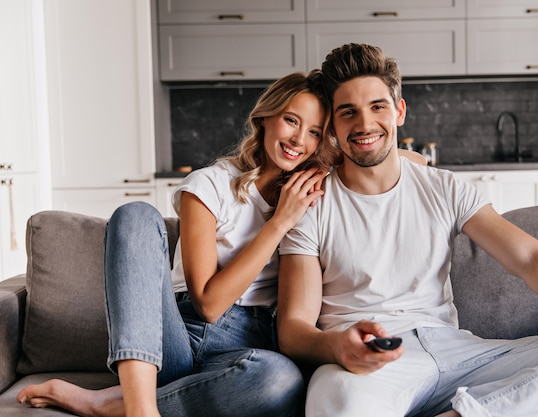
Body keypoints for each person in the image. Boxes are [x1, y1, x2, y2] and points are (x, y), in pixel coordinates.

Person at [276, 43, 538, 417]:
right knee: (335, 402)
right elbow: (293, 328)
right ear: (332, 126)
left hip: (460, 353)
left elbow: (533, 259)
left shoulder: (444, 187)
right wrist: (336, 347)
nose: (364, 124)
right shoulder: (311, 203)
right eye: (349, 112)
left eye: (377, 106)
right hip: (370, 365)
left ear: (399, 111)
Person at [17, 70, 337, 417]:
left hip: (253, 348)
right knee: (135, 214)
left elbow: (388, 163)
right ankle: (140, 407)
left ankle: (106, 404)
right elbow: (209, 305)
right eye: (291, 120)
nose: (298, 139)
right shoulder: (210, 185)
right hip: (179, 339)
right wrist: (279, 224)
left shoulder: (313, 192)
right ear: (265, 117)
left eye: (315, 132)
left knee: (280, 380)